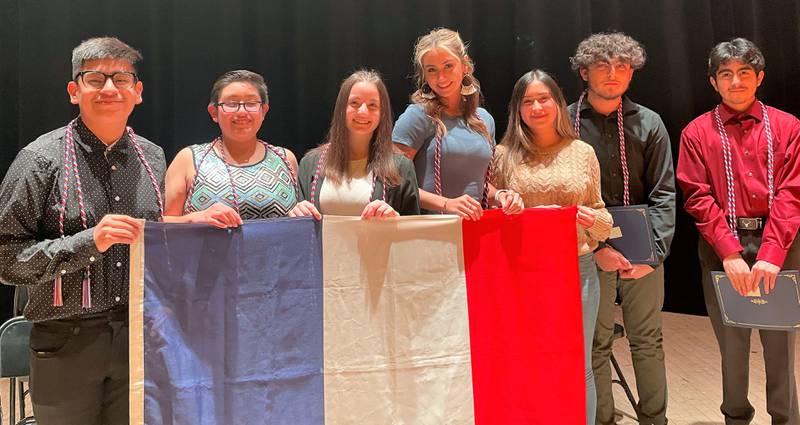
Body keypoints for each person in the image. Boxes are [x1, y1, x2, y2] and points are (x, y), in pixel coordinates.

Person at [0, 37, 165, 425]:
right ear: (75, 91)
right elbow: (6, 259)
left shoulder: (154, 156)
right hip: (65, 339)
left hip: (137, 336)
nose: (109, 88)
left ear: (137, 92)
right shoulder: (40, 159)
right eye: (95, 78)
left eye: (121, 78)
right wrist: (89, 241)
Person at [677, 38, 800, 425]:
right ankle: (736, 417)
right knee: (732, 344)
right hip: (721, 245)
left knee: (780, 344)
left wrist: (771, 253)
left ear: (759, 77)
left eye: (744, 73)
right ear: (714, 82)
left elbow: (792, 191)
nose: (736, 82)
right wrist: (730, 252)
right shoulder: (696, 132)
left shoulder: (788, 126)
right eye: (726, 74)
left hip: (778, 242)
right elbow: (697, 196)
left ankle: (786, 418)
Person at [493, 69, 612, 425]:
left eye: (543, 98)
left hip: (577, 269)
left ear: (558, 103)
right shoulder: (504, 155)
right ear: (517, 110)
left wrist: (591, 220)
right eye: (527, 101)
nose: (536, 107)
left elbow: (604, 218)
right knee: (526, 361)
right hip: (522, 272)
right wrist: (502, 198)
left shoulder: (583, 152)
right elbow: (493, 211)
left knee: (577, 364)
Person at [568, 32, 676, 425]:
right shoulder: (565, 123)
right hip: (587, 248)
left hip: (644, 248)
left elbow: (665, 192)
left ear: (632, 72)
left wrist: (653, 255)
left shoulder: (650, 123)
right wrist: (596, 248)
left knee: (648, 340)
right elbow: (563, 196)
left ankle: (654, 419)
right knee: (596, 345)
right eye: (602, 65)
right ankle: (603, 420)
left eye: (622, 66)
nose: (613, 74)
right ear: (584, 71)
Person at [392, 27, 522, 218]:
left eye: (448, 66)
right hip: (429, 234)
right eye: (432, 70)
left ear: (465, 66)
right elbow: (393, 182)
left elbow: (477, 184)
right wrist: (446, 204)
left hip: (474, 231)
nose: (441, 77)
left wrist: (501, 196)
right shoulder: (417, 116)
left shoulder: (484, 120)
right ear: (424, 75)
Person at [164, 70, 298, 226]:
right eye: (231, 104)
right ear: (214, 112)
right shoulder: (189, 159)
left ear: (264, 111)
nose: (241, 112)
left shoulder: (285, 159)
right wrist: (194, 218)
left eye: (251, 103)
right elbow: (160, 225)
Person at [290, 70, 419, 218]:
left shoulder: (401, 167)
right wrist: (297, 213)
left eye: (372, 105)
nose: (363, 111)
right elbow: (300, 229)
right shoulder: (310, 163)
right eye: (354, 103)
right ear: (341, 109)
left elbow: (412, 233)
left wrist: (395, 220)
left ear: (382, 113)